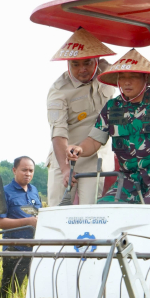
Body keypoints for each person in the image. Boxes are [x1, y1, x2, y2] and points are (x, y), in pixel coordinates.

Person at [67, 49, 150, 207]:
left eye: (133, 77)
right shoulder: (112, 107)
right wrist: (79, 149)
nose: (126, 82)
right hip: (129, 178)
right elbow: (94, 141)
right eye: (122, 77)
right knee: (105, 209)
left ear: (145, 78)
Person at [46, 28, 117, 206]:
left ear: (97, 60)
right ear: (68, 64)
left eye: (87, 63)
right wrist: (65, 169)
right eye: (75, 64)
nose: (82, 69)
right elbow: (58, 133)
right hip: (65, 156)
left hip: (97, 157)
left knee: (91, 212)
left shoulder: (108, 72)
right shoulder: (58, 91)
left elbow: (133, 75)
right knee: (58, 210)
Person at [0, 156, 42, 296]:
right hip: (15, 249)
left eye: (31, 170)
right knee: (10, 292)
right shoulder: (4, 192)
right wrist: (27, 221)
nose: (28, 174)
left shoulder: (34, 190)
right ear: (14, 170)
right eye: (24, 170)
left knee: (38, 290)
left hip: (36, 248)